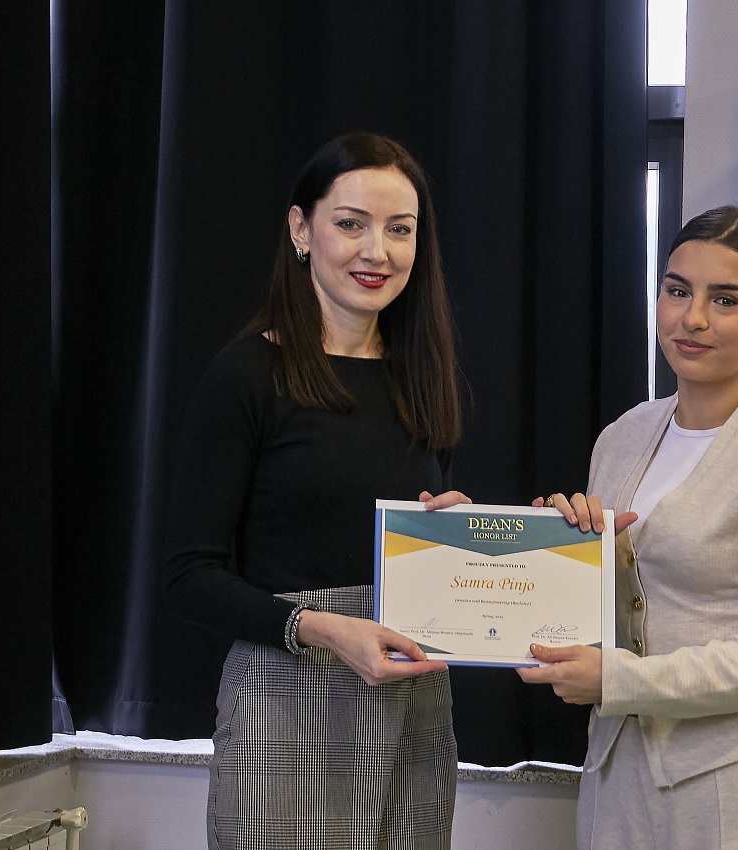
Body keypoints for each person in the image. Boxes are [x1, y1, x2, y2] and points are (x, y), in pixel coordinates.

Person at [162, 132, 470, 850]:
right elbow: (187, 577)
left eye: (400, 230)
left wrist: (452, 539)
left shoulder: (423, 376)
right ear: (302, 230)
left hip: (410, 700)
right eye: (351, 224)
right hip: (286, 695)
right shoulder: (246, 376)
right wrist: (324, 629)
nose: (377, 251)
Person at [520, 206, 738, 849]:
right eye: (677, 291)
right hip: (618, 784)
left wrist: (618, 680)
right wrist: (557, 554)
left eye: (724, 300)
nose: (692, 318)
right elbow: (616, 613)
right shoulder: (622, 437)